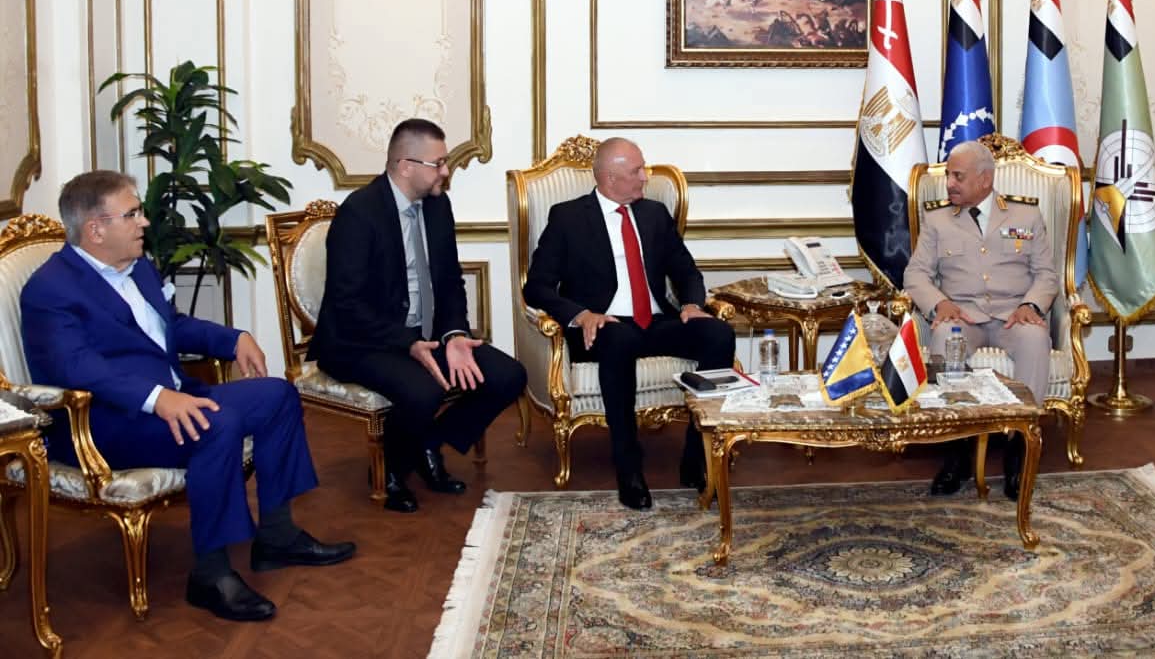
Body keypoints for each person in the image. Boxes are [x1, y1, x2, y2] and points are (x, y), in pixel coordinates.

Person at [20, 171, 354, 622]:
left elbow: (170, 326)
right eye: (132, 214)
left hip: (168, 398)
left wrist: (233, 338)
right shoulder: (50, 289)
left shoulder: (137, 266)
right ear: (96, 229)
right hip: (103, 424)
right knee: (215, 425)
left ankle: (277, 536)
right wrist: (156, 397)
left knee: (277, 396)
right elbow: (75, 366)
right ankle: (210, 575)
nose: (144, 222)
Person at [313, 118, 527, 513]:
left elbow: (449, 282)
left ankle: (427, 443)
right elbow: (347, 304)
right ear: (405, 166)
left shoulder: (437, 205)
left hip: (424, 334)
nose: (446, 172)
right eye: (438, 163)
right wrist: (408, 343)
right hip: (362, 341)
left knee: (507, 376)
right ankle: (391, 470)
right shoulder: (359, 213)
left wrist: (455, 336)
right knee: (423, 390)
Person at [523, 136, 734, 510]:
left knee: (719, 334)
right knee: (619, 340)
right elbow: (536, 286)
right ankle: (629, 468)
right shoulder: (568, 217)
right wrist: (581, 314)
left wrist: (691, 303)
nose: (645, 177)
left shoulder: (654, 214)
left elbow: (686, 270)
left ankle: (697, 457)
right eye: (636, 171)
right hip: (602, 327)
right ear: (610, 177)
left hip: (654, 322)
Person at [904, 140, 1059, 500]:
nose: (950, 184)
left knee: (1036, 339)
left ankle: (1020, 449)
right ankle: (957, 451)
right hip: (963, 315)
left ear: (985, 179)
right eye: (948, 176)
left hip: (1012, 316)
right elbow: (916, 274)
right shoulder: (938, 219)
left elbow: (1046, 275)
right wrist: (939, 303)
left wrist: (1031, 305)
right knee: (945, 338)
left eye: (958, 176)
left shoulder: (1025, 216)